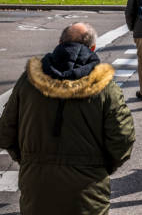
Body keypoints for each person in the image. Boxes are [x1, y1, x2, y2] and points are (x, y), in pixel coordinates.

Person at [0, 23, 135, 215]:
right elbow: (123, 138)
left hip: (37, 187)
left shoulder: (28, 81)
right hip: (89, 191)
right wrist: (100, 166)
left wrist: (29, 160)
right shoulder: (106, 88)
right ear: (93, 48)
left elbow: (6, 131)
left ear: (59, 42)